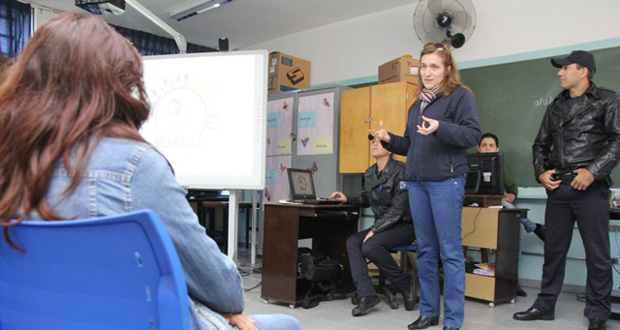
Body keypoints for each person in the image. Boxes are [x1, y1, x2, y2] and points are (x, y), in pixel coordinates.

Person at [0, 13, 301, 330]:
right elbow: (224, 291)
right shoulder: (134, 166)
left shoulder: (9, 165)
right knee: (285, 323)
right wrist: (224, 310)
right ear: (114, 89)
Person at [372, 42, 480, 330]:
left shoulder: (460, 97)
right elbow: (411, 145)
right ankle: (430, 312)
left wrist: (440, 127)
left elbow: (472, 135)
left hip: (446, 181)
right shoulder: (416, 105)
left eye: (435, 66)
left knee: (450, 252)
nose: (428, 72)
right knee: (426, 251)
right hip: (417, 183)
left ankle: (453, 321)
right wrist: (389, 139)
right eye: (424, 66)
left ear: (447, 69)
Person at [513, 50, 620, 330]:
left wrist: (593, 172)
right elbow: (540, 144)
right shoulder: (556, 105)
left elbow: (618, 142)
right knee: (554, 250)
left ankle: (598, 313)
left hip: (590, 188)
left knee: (597, 254)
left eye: (565, 68)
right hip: (559, 188)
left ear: (583, 71)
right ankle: (544, 305)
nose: (560, 73)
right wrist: (540, 172)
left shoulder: (608, 100)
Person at [330, 135, 416, 317]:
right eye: (372, 141)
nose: (374, 144)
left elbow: (398, 210)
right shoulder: (369, 173)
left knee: (370, 245)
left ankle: (405, 284)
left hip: (403, 226)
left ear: (390, 148)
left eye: (379, 141)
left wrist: (374, 230)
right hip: (382, 227)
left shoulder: (401, 171)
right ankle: (366, 294)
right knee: (352, 241)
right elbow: (366, 199)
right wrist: (348, 198)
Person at [476, 132, 545, 297]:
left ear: (497, 148)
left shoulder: (499, 165)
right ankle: (534, 226)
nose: (487, 148)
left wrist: (511, 195)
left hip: (497, 207)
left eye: (491, 145)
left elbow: (512, 187)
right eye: (484, 145)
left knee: (516, 228)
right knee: (510, 209)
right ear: (478, 149)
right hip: (477, 208)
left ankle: (513, 280)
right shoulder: (470, 164)